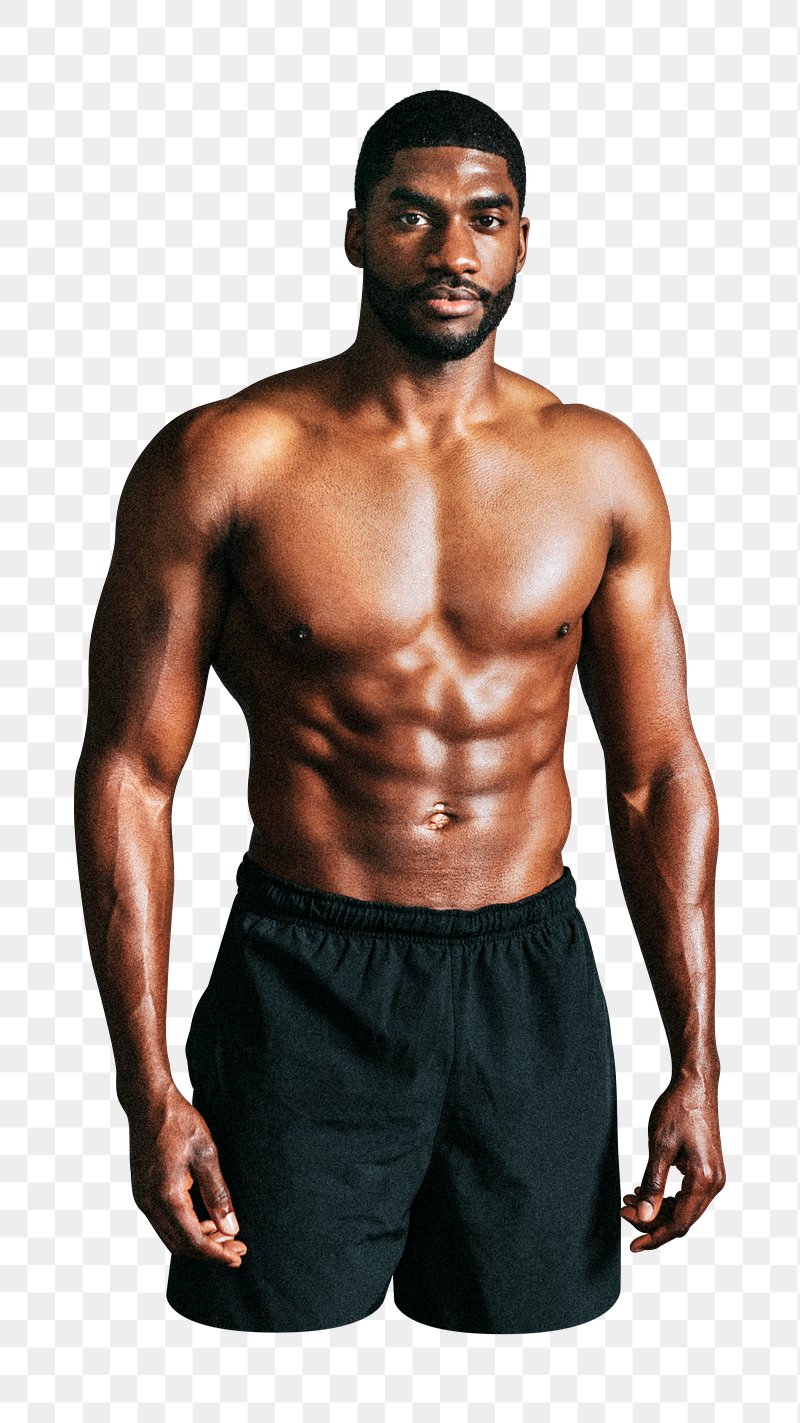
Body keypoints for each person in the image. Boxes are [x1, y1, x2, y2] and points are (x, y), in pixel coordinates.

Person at [74, 89, 725, 1335]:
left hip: (527, 981)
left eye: (484, 219)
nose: (449, 250)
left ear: (521, 242)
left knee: (529, 1360)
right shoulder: (226, 458)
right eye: (413, 215)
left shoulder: (596, 464)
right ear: (356, 232)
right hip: (302, 979)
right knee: (261, 1355)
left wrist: (697, 1061)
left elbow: (657, 775)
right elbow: (128, 778)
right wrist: (146, 1086)